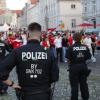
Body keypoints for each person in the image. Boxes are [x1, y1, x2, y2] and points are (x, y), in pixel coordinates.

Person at [0, 22, 59, 100]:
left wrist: (12, 84)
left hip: (26, 93)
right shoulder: (48, 52)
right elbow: (55, 77)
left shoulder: (18, 51)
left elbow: (2, 70)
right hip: (44, 93)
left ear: (27, 34)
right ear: (41, 35)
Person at [66, 33, 91, 100]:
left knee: (74, 86)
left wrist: (70, 67)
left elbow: (68, 59)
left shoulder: (71, 47)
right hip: (83, 67)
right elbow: (89, 58)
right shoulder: (85, 47)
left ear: (73, 39)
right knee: (84, 85)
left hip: (74, 67)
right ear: (81, 38)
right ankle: (85, 98)